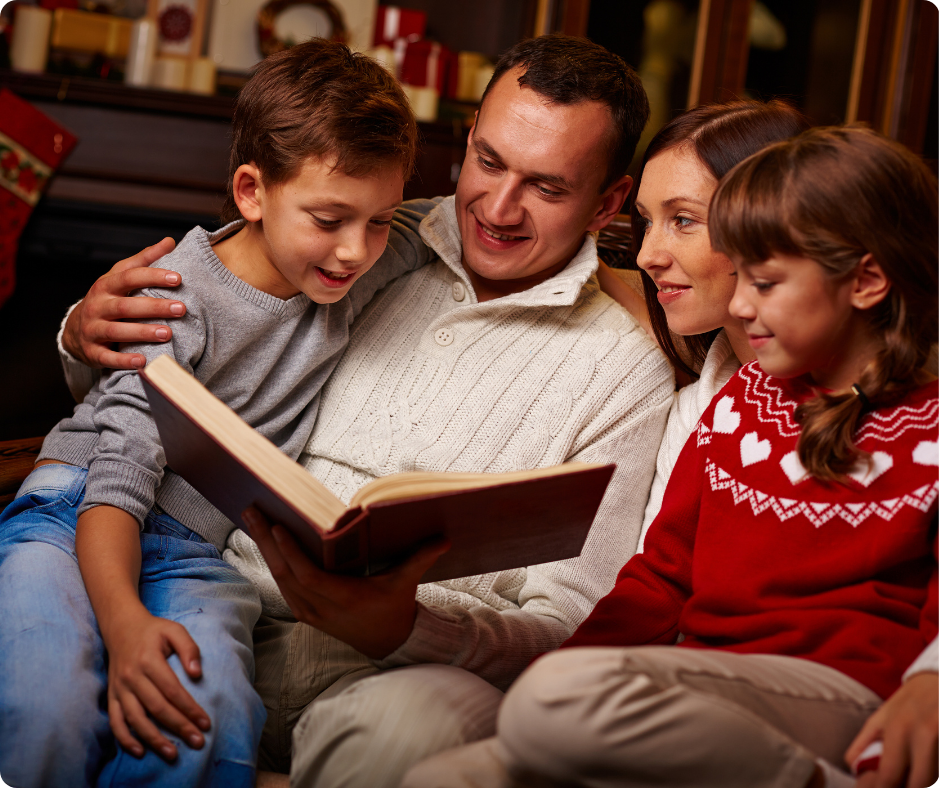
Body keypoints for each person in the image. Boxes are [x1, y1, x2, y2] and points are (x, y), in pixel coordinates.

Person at [56, 35, 675, 788]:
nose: (500, 210)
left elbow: (574, 626)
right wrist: (83, 331)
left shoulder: (625, 367)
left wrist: (407, 629)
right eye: (488, 162)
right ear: (468, 139)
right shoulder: (373, 238)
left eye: (548, 189)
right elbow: (202, 337)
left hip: (398, 670)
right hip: (219, 599)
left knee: (406, 729)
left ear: (608, 202)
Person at [403, 125, 938, 788]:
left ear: (866, 281)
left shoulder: (929, 427)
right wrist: (578, 674)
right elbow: (659, 578)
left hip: (839, 691)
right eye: (740, 278)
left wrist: (932, 682)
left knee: (553, 702)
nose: (740, 305)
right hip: (701, 680)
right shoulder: (739, 403)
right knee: (448, 775)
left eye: (765, 282)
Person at [0, 38, 433, 788]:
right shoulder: (173, 301)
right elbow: (119, 480)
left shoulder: (351, 260)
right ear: (250, 192)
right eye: (331, 218)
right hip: (79, 513)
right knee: (49, 703)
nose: (356, 251)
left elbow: (455, 221)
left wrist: (618, 268)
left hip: (197, 549)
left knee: (211, 715)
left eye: (379, 220)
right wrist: (126, 625)